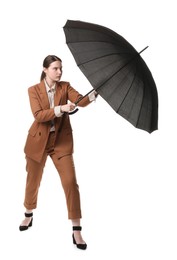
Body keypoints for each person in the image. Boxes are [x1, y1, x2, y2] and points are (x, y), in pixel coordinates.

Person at [19, 55, 97, 250]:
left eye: (61, 68)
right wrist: (61, 108)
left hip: (61, 142)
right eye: (55, 68)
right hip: (38, 141)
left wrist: (95, 92)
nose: (59, 72)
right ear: (45, 70)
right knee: (33, 181)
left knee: (71, 182)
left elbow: (81, 100)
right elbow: (38, 115)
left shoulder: (65, 86)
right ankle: (28, 214)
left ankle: (76, 230)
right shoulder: (33, 90)